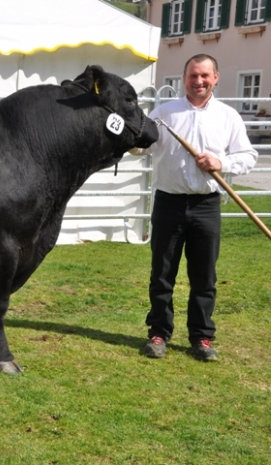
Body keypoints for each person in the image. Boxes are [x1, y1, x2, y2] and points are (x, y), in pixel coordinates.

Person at [143, 54, 258, 361]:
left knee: (204, 276)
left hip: (207, 205)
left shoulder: (228, 116)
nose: (199, 81)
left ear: (215, 78)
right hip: (168, 202)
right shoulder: (164, 114)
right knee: (162, 273)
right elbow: (141, 146)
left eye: (205, 76)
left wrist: (222, 162)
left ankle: (202, 338)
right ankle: (158, 333)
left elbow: (248, 156)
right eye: (193, 75)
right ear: (184, 78)